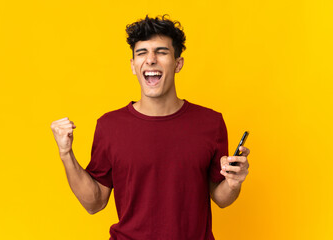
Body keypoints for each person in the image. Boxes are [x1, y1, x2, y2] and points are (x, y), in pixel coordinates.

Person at [51, 15, 250, 240]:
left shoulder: (210, 123)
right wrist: (66, 154)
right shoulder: (109, 126)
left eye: (161, 52)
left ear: (178, 64)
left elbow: (221, 197)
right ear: (133, 66)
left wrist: (233, 183)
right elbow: (94, 203)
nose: (151, 60)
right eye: (141, 52)